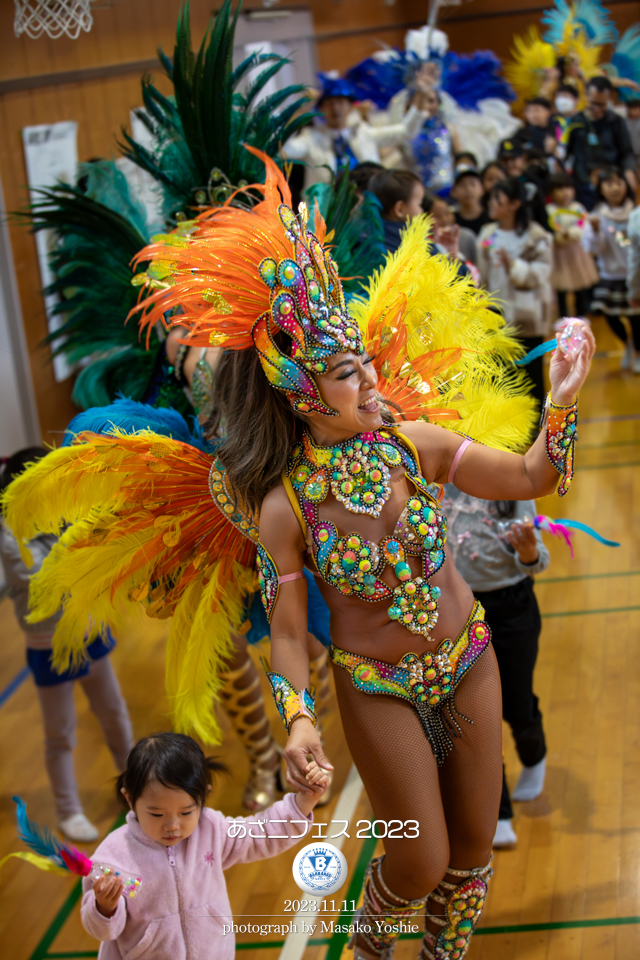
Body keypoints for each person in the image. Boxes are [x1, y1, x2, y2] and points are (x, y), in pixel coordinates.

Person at [6, 152, 595, 960]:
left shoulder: (411, 443)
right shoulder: (286, 505)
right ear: (306, 392)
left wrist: (561, 399)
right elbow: (287, 631)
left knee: (468, 857)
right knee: (417, 860)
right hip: (377, 685)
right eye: (350, 372)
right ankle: (369, 948)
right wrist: (298, 721)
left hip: (472, 657)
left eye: (365, 364)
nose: (371, 381)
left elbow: (536, 475)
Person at [80, 733, 328, 958]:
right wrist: (104, 908)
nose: (172, 826)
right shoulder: (114, 857)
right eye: (156, 814)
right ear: (130, 799)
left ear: (203, 796)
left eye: (186, 812)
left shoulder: (210, 829)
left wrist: (303, 802)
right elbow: (102, 931)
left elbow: (260, 833)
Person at [0, 448, 133, 843]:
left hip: (90, 635)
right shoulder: (10, 533)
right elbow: (41, 576)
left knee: (114, 714)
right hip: (49, 646)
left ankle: (133, 785)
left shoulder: (65, 513)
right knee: (60, 732)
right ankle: (67, 809)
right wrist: (79, 535)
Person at [442, 490, 550, 849]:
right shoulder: (433, 480)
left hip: (512, 605)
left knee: (517, 703)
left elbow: (538, 558)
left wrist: (528, 552)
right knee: (478, 716)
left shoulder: (509, 485)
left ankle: (534, 755)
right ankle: (499, 810)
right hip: (459, 609)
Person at [477, 177, 553, 414]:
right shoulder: (488, 233)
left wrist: (514, 266)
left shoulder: (536, 235)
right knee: (505, 374)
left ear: (515, 204)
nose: (491, 203)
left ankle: (542, 426)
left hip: (527, 316)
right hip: (496, 316)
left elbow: (541, 273)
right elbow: (481, 274)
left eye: (497, 199)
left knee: (532, 374)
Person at [283, 76, 430, 191]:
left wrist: (422, 94)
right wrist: (300, 109)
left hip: (366, 207)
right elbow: (283, 150)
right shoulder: (311, 137)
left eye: (341, 102)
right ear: (321, 109)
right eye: (329, 103)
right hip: (324, 214)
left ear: (350, 107)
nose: (335, 108)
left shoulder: (363, 133)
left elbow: (406, 132)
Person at [582, 166, 640, 371]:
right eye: (609, 183)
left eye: (619, 182)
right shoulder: (597, 216)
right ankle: (628, 345)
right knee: (610, 316)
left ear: (627, 185)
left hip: (634, 274)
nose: (615, 187)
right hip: (610, 275)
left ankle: (638, 354)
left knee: (636, 318)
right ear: (600, 189)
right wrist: (596, 230)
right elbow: (591, 249)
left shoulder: (635, 212)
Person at [369, 168, 471, 276]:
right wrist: (452, 256)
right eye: (419, 204)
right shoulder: (416, 246)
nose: (421, 211)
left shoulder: (366, 242)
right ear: (400, 209)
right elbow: (458, 284)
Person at [565, 76, 637, 210]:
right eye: (593, 103)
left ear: (609, 99)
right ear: (586, 96)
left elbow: (626, 152)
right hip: (584, 184)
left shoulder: (616, 121)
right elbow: (566, 152)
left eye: (602, 105)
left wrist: (629, 170)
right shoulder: (574, 122)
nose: (597, 109)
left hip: (612, 183)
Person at [546, 172, 599, 318]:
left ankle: (581, 314)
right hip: (560, 255)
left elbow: (582, 224)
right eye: (560, 189)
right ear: (552, 192)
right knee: (561, 287)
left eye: (568, 188)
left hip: (578, 253)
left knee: (580, 283)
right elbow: (553, 229)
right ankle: (563, 317)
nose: (565, 193)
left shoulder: (578, 208)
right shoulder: (549, 210)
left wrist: (572, 233)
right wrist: (562, 236)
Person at [498, 139, 550, 230]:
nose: (510, 164)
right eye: (505, 160)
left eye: (513, 159)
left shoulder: (533, 182)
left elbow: (541, 215)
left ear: (523, 158)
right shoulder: (497, 182)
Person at [423, 191, 478, 269]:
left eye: (447, 213)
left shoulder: (466, 236)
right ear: (424, 219)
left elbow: (476, 268)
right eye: (438, 216)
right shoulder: (425, 243)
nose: (445, 219)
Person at [450, 167, 491, 235]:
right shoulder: (451, 221)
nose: (468, 189)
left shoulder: (491, 218)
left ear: (482, 188)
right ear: (453, 191)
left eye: (473, 184)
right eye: (462, 185)